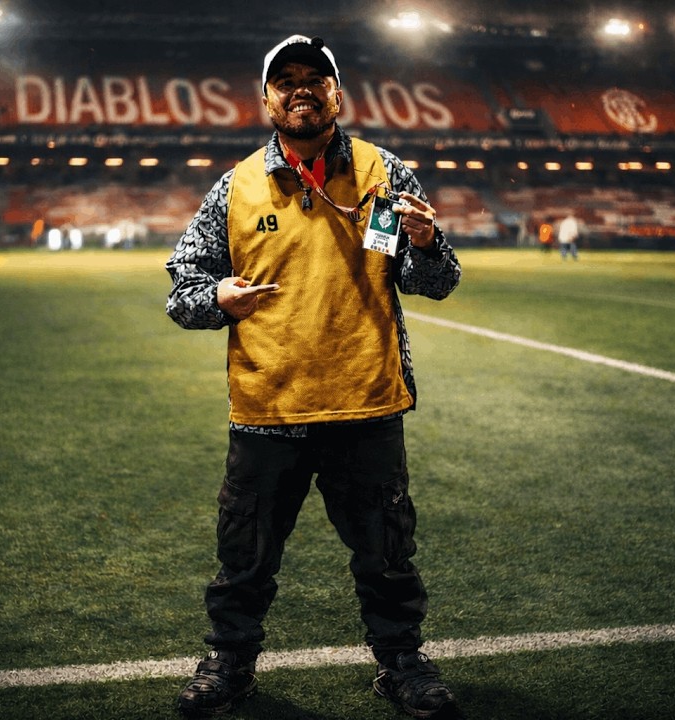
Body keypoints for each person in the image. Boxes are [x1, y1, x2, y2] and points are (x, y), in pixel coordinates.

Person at [164, 34, 464, 719]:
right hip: (268, 408)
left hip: (365, 403)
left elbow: (433, 282)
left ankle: (401, 664)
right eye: (286, 79)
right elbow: (183, 285)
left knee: (387, 555)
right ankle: (230, 666)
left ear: (337, 94)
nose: (301, 88)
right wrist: (217, 298)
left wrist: (423, 242)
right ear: (266, 98)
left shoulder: (380, 175)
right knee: (245, 559)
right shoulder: (237, 186)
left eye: (315, 78)